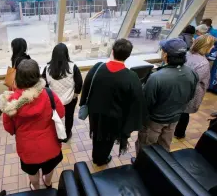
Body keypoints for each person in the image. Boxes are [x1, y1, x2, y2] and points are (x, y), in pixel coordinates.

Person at [79, 38, 147, 166]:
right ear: (128, 55)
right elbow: (136, 101)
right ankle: (101, 159)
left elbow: (86, 87)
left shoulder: (97, 68)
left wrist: (84, 103)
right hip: (115, 117)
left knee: (97, 135)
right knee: (108, 139)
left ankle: (97, 156)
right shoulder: (131, 77)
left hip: (96, 113)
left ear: (112, 51)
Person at [0, 59, 65, 190]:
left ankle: (35, 187)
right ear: (37, 76)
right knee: (49, 167)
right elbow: (61, 112)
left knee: (32, 172)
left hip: (27, 148)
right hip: (50, 145)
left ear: (18, 78)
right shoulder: (49, 94)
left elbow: (9, 128)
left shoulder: (11, 102)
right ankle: (47, 182)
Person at [135, 38, 198, 154]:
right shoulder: (192, 73)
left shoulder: (156, 77)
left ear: (165, 55)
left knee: (145, 149)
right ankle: (162, 168)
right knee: (164, 146)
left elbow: (146, 104)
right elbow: (190, 96)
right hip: (174, 119)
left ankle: (140, 168)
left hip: (154, 121)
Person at [174, 35, 215, 138]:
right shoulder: (203, 63)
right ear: (206, 47)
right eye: (211, 45)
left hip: (178, 89)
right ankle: (179, 133)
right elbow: (195, 79)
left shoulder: (185, 55)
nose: (213, 47)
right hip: (191, 92)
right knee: (185, 113)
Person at [42, 43, 83, 142]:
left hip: (54, 100)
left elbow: (44, 85)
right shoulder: (73, 67)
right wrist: (75, 94)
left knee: (55, 117)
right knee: (69, 117)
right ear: (66, 54)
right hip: (69, 100)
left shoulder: (47, 68)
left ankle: (57, 134)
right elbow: (79, 83)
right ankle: (67, 134)